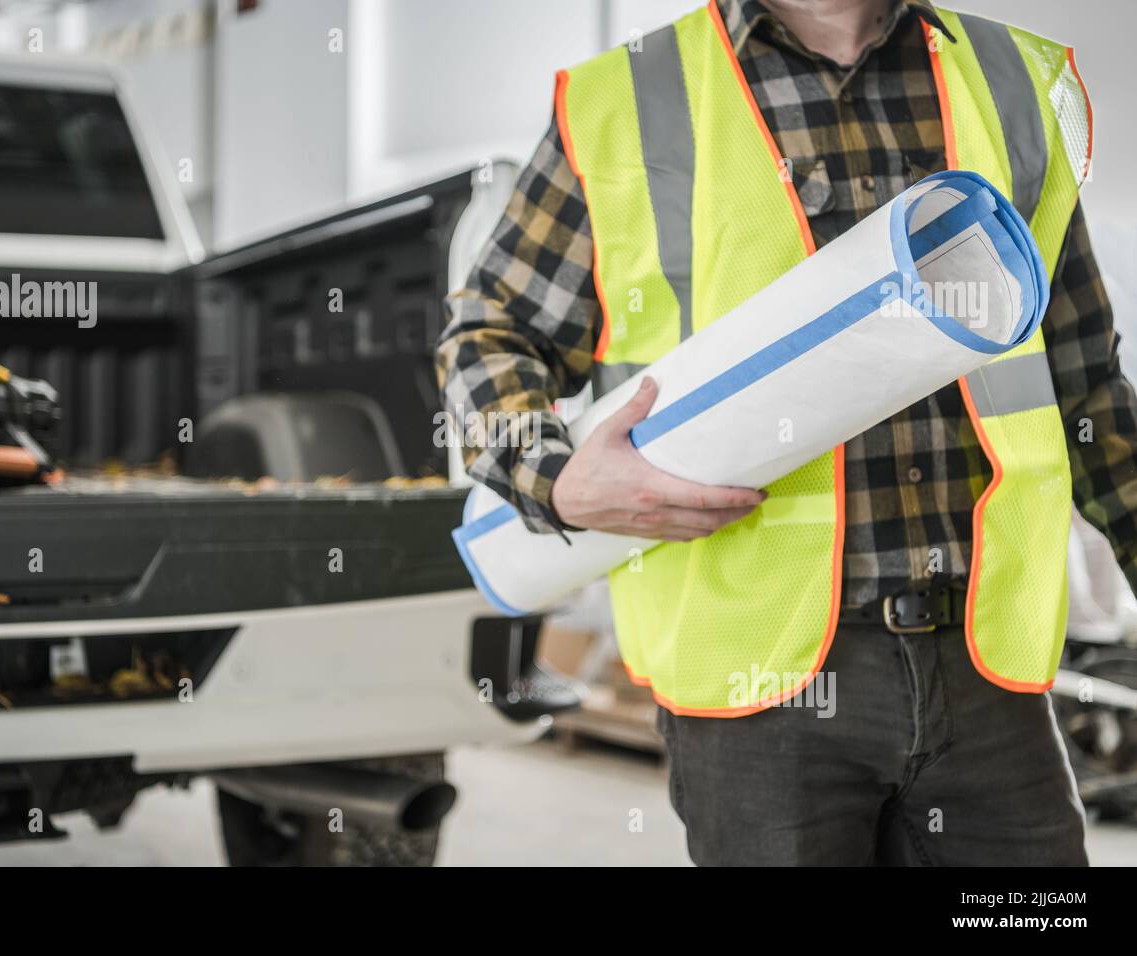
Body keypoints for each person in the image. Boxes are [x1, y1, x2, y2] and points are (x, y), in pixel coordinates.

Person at [437, 0, 1137, 865]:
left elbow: (1088, 390)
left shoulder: (1007, 77)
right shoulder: (627, 96)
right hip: (758, 686)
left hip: (988, 668)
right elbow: (490, 333)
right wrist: (555, 478)